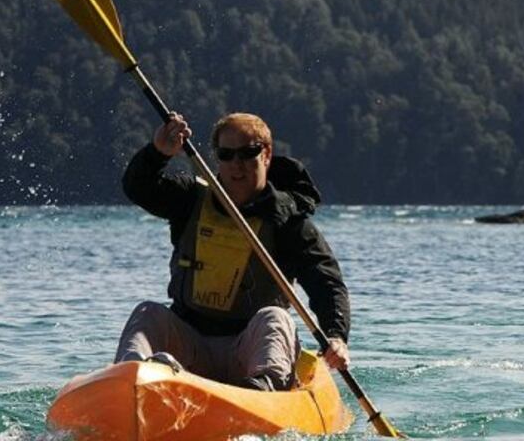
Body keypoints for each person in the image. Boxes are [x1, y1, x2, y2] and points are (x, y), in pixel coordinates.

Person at [113, 111, 350, 391]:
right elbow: (139, 188)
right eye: (226, 154)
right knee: (148, 313)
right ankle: (129, 386)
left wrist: (335, 336)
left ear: (267, 155)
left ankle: (263, 393)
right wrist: (158, 153)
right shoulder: (190, 199)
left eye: (248, 153)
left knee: (275, 318)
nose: (237, 164)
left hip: (249, 349)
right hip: (191, 342)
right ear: (217, 158)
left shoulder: (288, 221)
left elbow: (326, 282)